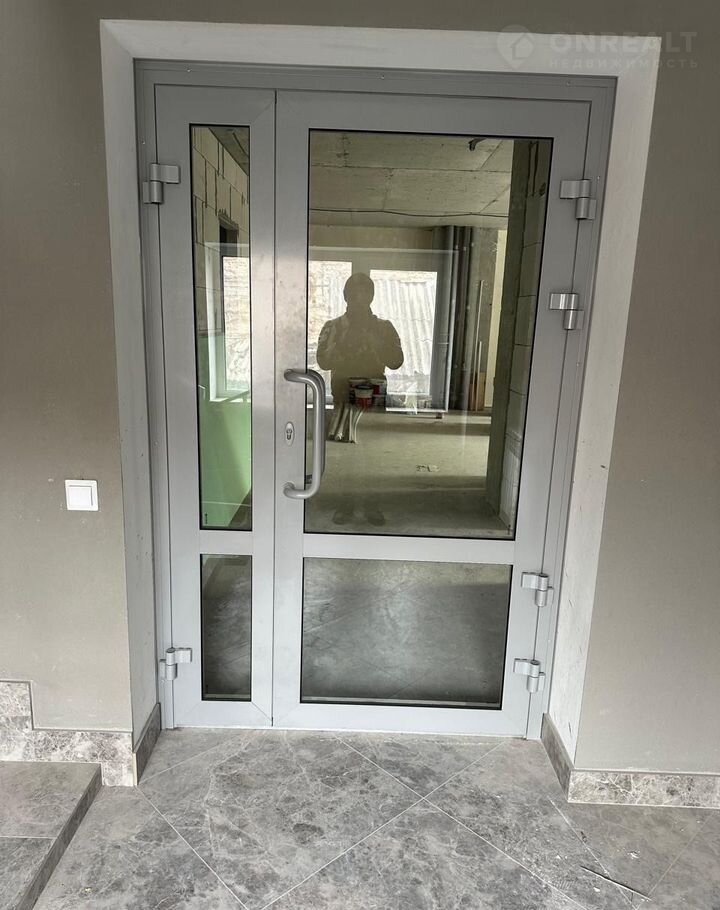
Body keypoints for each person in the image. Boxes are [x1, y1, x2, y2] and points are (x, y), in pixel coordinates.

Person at [317, 273, 404, 443]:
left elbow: (396, 362)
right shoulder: (333, 327)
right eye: (354, 294)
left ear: (371, 297)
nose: (358, 299)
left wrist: (377, 343)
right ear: (345, 296)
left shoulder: (384, 328)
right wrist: (339, 343)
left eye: (364, 294)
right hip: (342, 403)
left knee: (374, 447)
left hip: (373, 402)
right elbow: (323, 362)